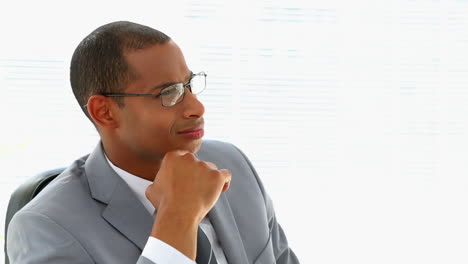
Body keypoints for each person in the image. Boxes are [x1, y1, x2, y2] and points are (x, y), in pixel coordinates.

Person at [7, 21, 300, 264]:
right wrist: (179, 217)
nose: (196, 107)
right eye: (169, 93)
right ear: (104, 112)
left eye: (189, 84)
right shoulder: (43, 228)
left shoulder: (233, 162)